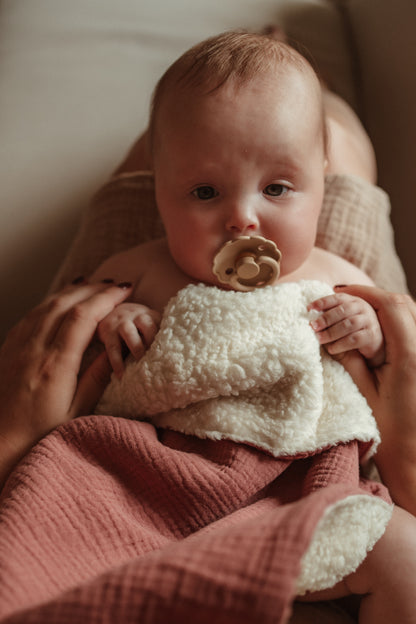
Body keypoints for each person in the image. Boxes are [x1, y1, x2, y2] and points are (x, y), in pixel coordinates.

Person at [90, 31, 385, 380]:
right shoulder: (139, 271)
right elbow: (70, 336)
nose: (242, 219)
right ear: (157, 189)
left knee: (333, 124)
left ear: (323, 180)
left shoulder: (339, 277)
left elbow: (398, 352)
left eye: (276, 189)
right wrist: (116, 324)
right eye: (205, 192)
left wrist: (370, 335)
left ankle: (319, 86)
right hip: (155, 433)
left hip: (306, 428)